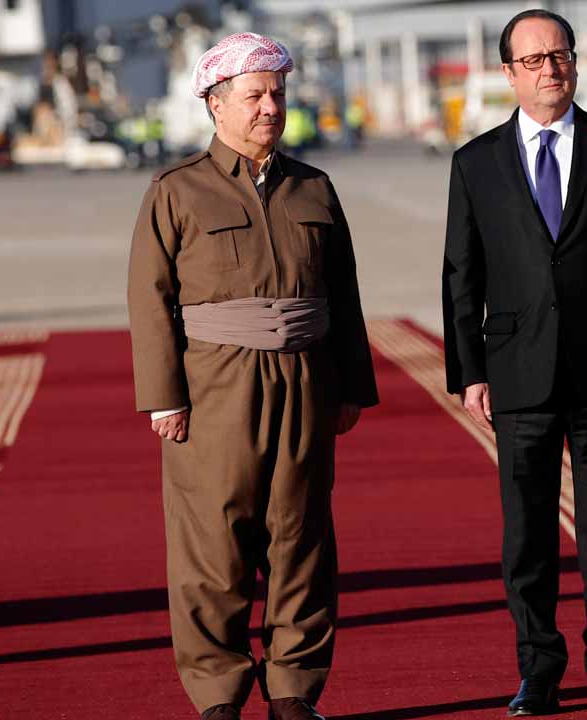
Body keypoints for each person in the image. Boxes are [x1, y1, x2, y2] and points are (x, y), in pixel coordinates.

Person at [127, 32, 377, 720]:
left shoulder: (313, 187)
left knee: (301, 538)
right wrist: (163, 399)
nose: (271, 107)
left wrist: (351, 386)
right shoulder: (176, 190)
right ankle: (219, 693)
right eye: (255, 96)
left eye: (278, 94)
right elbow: (150, 299)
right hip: (215, 385)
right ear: (216, 104)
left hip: (306, 377)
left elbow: (344, 292)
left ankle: (294, 689)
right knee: (214, 543)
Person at [440, 8, 587, 716]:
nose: (551, 69)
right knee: (528, 531)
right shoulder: (476, 162)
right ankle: (538, 669)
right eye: (535, 59)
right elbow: (462, 273)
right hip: (516, 368)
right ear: (508, 73)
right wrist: (469, 370)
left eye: (561, 55)